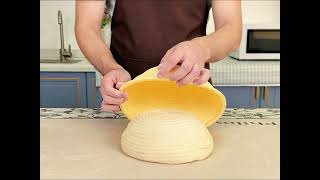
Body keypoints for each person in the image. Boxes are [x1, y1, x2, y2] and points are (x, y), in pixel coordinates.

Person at [75, 0, 242, 112]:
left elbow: (231, 29)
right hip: (127, 93)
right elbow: (86, 26)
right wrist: (111, 68)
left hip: (191, 91)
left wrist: (201, 48)